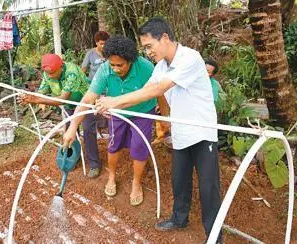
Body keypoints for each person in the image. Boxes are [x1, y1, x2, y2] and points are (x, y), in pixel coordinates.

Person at [94, 17, 223, 243]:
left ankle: (214, 237)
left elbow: (160, 89)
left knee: (208, 188)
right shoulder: (162, 66)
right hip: (181, 133)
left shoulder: (190, 58)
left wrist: (115, 101)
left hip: (202, 132)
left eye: (149, 46)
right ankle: (179, 219)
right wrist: (111, 106)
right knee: (179, 180)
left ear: (164, 38)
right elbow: (146, 89)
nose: (148, 52)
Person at [62, 35, 157, 206]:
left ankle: (136, 183)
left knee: (139, 147)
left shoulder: (145, 68)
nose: (115, 69)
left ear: (131, 61)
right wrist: (72, 127)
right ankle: (111, 177)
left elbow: (159, 92)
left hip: (143, 112)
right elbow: (88, 98)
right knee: (114, 146)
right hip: (117, 113)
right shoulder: (105, 70)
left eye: (119, 65)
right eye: (112, 64)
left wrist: (164, 118)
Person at [17, 53, 103, 178]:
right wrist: (30, 97)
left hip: (85, 103)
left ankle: (94, 164)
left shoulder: (71, 72)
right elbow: (42, 92)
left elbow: (63, 99)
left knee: (88, 130)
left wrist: (36, 99)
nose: (50, 76)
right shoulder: (48, 74)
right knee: (70, 132)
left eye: (53, 73)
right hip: (70, 106)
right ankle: (74, 157)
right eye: (48, 74)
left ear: (61, 67)